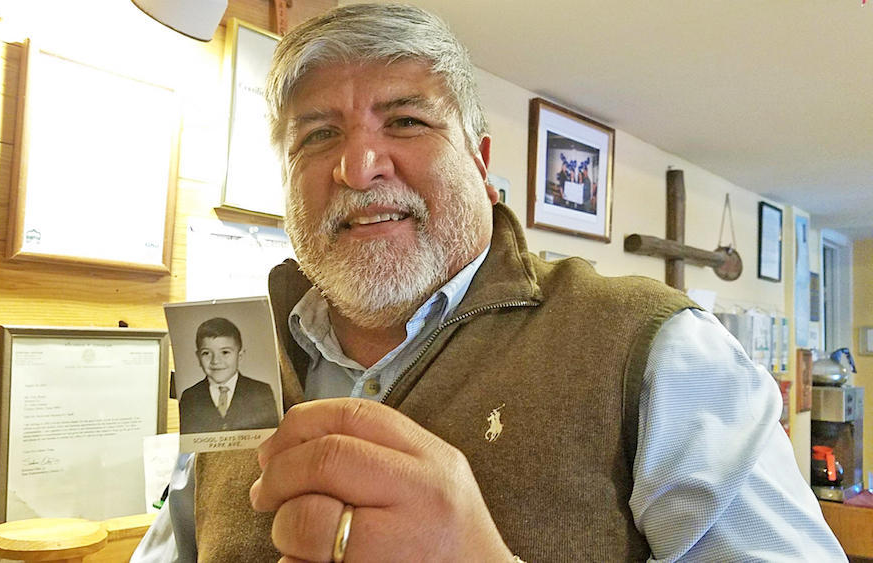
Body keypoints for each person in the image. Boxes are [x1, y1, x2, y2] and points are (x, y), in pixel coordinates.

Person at [134, 4, 847, 562]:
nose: (359, 166)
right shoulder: (234, 354)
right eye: (317, 135)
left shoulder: (659, 351)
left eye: (406, 120)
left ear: (479, 161)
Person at [178, 317, 279, 433]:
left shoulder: (261, 391)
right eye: (206, 353)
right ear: (198, 357)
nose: (215, 361)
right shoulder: (190, 397)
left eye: (225, 352)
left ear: (239, 356)